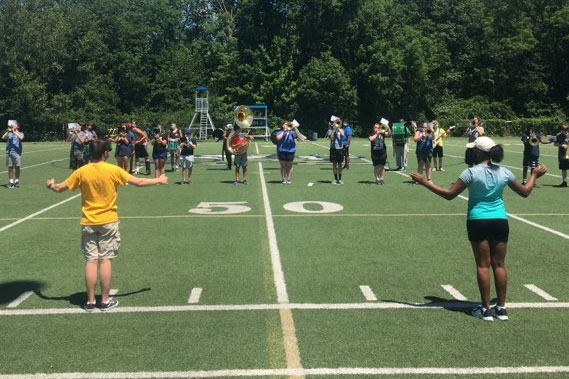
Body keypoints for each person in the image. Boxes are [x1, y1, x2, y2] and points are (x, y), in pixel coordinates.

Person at [410, 136, 546, 321]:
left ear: (478, 152)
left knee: (483, 264)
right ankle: (501, 308)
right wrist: (534, 175)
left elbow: (450, 195)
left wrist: (426, 183)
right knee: (499, 264)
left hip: (477, 220)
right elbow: (525, 192)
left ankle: (485, 310)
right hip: (500, 220)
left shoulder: (470, 173)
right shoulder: (504, 172)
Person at [46, 139, 168, 311]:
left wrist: (51, 184)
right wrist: (159, 180)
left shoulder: (82, 171)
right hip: (108, 221)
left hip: (88, 221)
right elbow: (138, 182)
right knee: (105, 260)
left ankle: (89, 301)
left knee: (90, 260)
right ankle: (104, 300)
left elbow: (59, 188)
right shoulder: (112, 170)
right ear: (105, 153)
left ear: (90, 153)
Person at [2, 121, 24, 188]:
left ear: (18, 127)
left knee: (17, 167)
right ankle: (11, 181)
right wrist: (8, 131)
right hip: (9, 153)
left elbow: (21, 138)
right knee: (10, 167)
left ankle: (16, 180)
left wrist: (14, 132)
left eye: (14, 125)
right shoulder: (9, 133)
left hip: (17, 153)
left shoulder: (20, 133)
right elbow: (3, 138)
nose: (12, 127)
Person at [329, 119, 345, 184]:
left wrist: (338, 128)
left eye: (338, 123)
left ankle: (340, 179)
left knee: (340, 164)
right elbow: (331, 138)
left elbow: (343, 135)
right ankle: (335, 179)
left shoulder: (341, 130)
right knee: (334, 164)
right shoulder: (331, 131)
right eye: (336, 123)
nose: (337, 124)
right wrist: (334, 129)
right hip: (333, 149)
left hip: (340, 149)